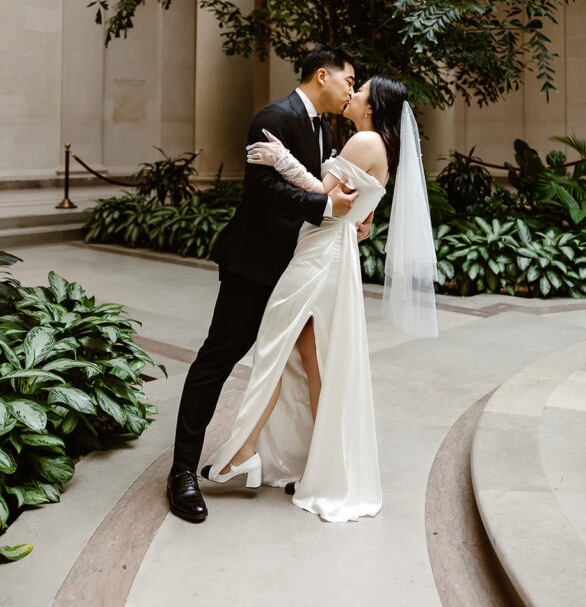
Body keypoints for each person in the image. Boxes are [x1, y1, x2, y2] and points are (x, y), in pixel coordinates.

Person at [200, 76, 438, 523]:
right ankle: (311, 459)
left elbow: (320, 196)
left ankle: (246, 452)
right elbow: (356, 213)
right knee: (308, 358)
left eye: (360, 88)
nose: (353, 93)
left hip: (319, 256)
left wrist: (282, 159)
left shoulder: (365, 140)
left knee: (275, 342)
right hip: (328, 251)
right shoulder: (374, 143)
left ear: (373, 105)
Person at [166, 45, 367, 523]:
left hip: (301, 270)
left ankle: (301, 465)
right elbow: (262, 190)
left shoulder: (324, 127)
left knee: (306, 368)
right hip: (255, 266)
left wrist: (351, 218)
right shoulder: (272, 116)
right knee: (218, 358)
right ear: (323, 75)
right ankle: (182, 472)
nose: (350, 91)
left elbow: (326, 187)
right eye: (348, 81)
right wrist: (325, 209)